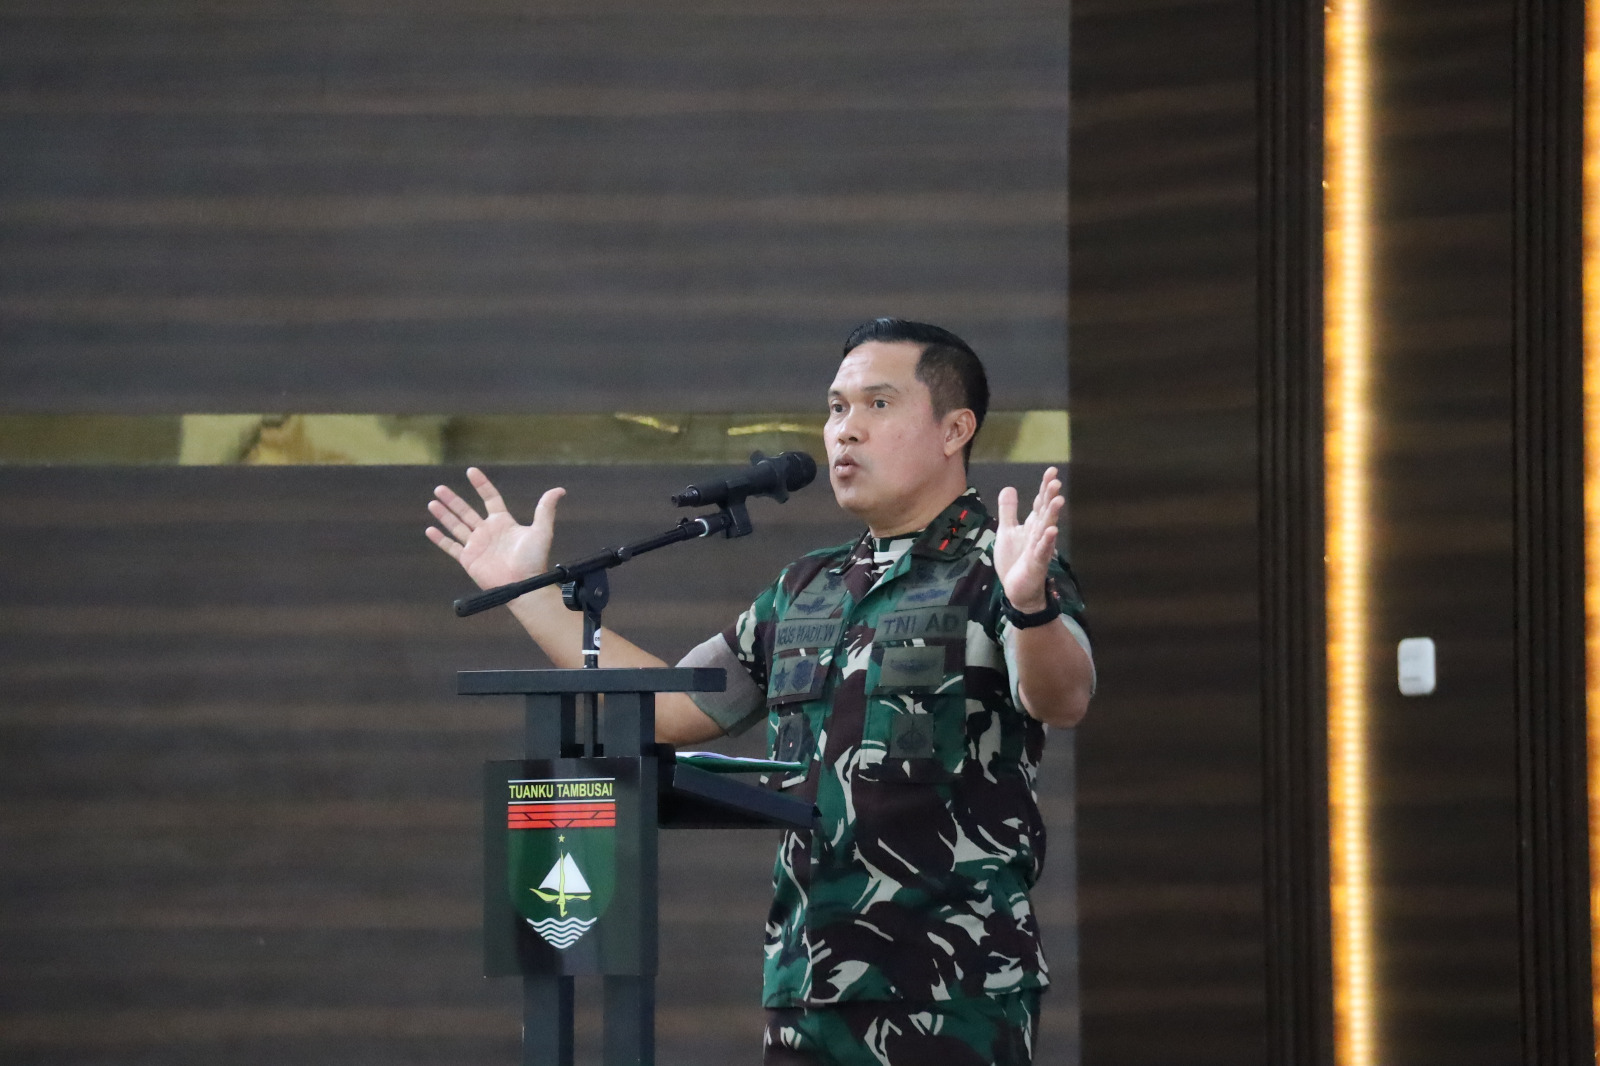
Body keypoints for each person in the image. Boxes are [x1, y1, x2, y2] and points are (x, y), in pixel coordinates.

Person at [425, 318, 1094, 1066]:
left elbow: (1062, 698)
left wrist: (1028, 605)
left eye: (877, 405)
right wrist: (531, 594)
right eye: (836, 408)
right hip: (806, 982)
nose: (845, 430)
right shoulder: (806, 587)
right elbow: (674, 707)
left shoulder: (1000, 566)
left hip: (953, 984)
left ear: (954, 429)